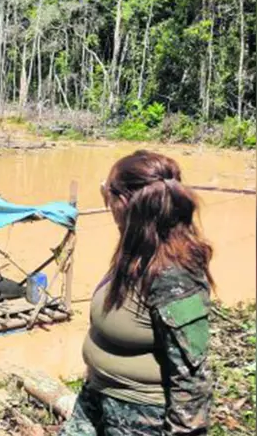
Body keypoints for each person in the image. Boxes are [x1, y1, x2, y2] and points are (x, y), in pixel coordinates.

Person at [60, 150, 214, 436]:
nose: (107, 204)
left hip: (141, 416)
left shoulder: (174, 273)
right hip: (96, 396)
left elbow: (192, 376)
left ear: (125, 204)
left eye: (108, 194)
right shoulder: (134, 251)